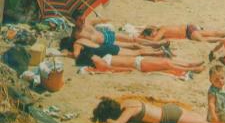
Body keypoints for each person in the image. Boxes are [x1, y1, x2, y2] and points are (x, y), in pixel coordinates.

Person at [92, 97, 211, 123]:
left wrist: (107, 120)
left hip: (169, 117)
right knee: (203, 117)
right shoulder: (127, 103)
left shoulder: (129, 111)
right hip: (168, 109)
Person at [71, 10, 166, 48]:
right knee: (133, 45)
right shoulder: (77, 34)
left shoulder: (87, 22)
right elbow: (85, 44)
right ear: (75, 21)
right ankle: (153, 48)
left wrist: (104, 19)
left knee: (134, 39)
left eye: (83, 18)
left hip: (108, 34)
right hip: (106, 43)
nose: (83, 21)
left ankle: (156, 43)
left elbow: (100, 21)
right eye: (80, 20)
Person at [77, 48, 205, 73]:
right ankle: (191, 68)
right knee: (166, 64)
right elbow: (111, 69)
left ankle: (189, 64)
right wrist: (127, 69)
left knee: (166, 61)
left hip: (138, 60)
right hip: (137, 64)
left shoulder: (97, 59)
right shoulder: (97, 62)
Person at [59, 36, 170, 63]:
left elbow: (76, 56)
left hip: (106, 51)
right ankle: (158, 51)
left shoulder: (77, 44)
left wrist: (67, 54)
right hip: (106, 47)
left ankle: (159, 52)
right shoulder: (81, 39)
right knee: (136, 51)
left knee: (137, 53)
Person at [140, 25, 225, 43]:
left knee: (203, 40)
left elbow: (155, 40)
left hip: (188, 31)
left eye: (152, 34)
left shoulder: (161, 30)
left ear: (153, 31)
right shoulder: (161, 28)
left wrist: (145, 38)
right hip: (189, 28)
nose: (154, 35)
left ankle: (224, 39)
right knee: (210, 33)